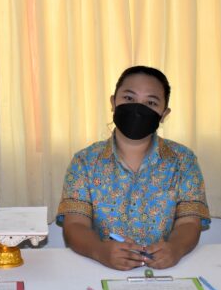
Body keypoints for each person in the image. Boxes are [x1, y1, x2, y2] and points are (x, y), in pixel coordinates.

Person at [57, 66, 210, 270]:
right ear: (113, 102)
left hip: (165, 270)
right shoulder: (84, 161)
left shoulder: (183, 160)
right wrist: (100, 251)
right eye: (129, 98)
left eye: (151, 103)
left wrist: (176, 248)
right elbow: (75, 224)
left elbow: (189, 222)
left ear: (164, 114)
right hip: (101, 269)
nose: (138, 109)